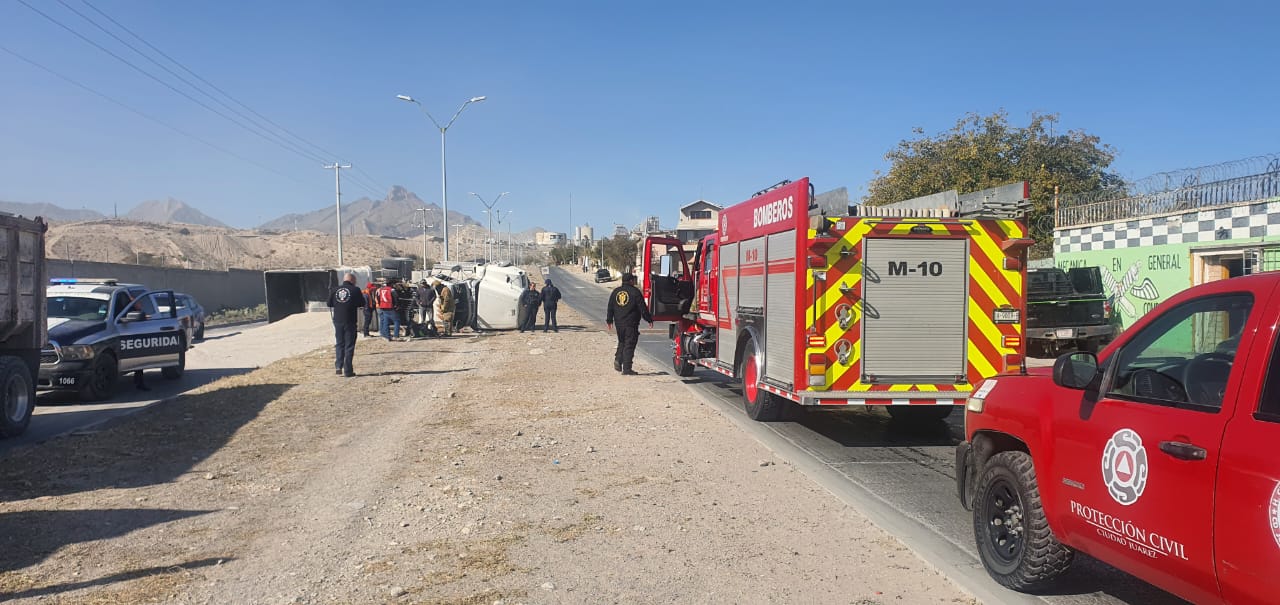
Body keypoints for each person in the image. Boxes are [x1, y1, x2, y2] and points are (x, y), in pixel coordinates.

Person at [606, 273, 652, 375]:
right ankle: (627, 368)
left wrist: (609, 320)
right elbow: (642, 308)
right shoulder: (635, 292)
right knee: (629, 344)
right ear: (631, 281)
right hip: (631, 323)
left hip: (619, 323)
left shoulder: (615, 292)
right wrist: (649, 319)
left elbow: (610, 307)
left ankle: (618, 359)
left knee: (622, 341)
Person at [327, 272, 365, 377]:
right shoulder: (356, 290)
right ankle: (348, 370)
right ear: (352, 280)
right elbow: (362, 303)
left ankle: (338, 366)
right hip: (350, 320)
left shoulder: (334, 290)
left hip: (338, 320)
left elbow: (329, 303)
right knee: (349, 345)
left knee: (339, 343)